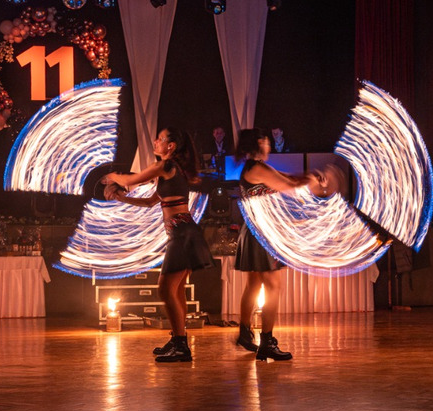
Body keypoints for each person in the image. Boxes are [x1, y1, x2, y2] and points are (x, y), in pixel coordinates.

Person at [103, 127, 213, 363]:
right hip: (183, 233)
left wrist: (112, 176)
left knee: (165, 289)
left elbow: (130, 180)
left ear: (170, 146)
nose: (155, 141)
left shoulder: (166, 165)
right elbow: (150, 203)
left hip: (182, 234)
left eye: (160, 139)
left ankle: (181, 344)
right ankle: (178, 340)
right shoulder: (172, 171)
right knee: (177, 290)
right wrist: (121, 197)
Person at [233, 128, 329, 361]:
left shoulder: (255, 168)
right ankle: (267, 342)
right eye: (266, 142)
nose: (269, 146)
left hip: (255, 231)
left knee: (254, 285)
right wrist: (312, 179)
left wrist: (308, 176)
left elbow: (289, 179)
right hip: (261, 234)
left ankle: (245, 334)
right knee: (273, 286)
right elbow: (288, 186)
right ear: (258, 144)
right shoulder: (258, 168)